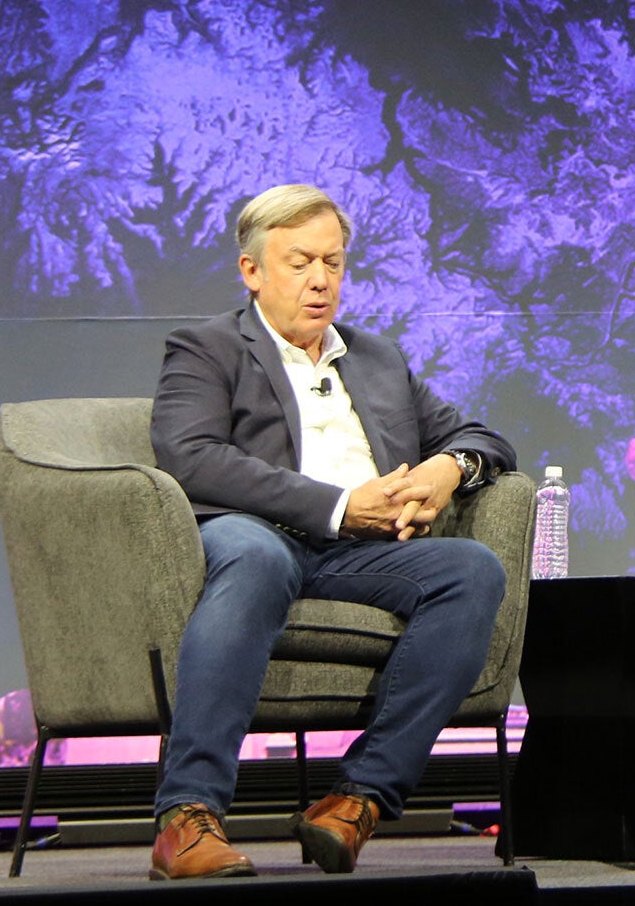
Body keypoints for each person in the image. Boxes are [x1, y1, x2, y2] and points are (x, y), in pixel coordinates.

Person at [146, 185, 514, 879]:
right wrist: (341, 506)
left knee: (471, 570)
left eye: (334, 263)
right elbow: (189, 455)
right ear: (252, 270)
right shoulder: (207, 348)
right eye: (299, 263)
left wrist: (449, 467)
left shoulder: (374, 358)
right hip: (255, 535)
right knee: (255, 559)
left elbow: (480, 436)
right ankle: (187, 816)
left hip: (361, 557)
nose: (320, 281)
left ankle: (356, 801)